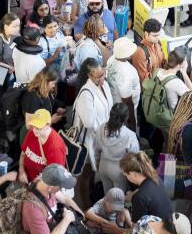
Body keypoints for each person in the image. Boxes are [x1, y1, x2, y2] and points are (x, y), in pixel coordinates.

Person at [72, 58, 114, 206]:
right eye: (98, 76)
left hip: (102, 137)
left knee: (93, 174)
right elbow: (89, 122)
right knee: (85, 174)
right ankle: (84, 206)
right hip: (88, 141)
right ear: (89, 76)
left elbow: (109, 107)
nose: (102, 78)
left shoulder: (105, 85)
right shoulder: (86, 94)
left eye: (103, 74)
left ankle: (91, 198)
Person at [20, 164, 82, 234]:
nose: (61, 189)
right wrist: (66, 219)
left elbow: (66, 199)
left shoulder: (43, 182)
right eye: (61, 187)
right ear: (50, 187)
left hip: (54, 223)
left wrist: (82, 215)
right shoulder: (33, 209)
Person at [94, 102, 140, 192]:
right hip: (119, 170)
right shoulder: (130, 135)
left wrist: (97, 163)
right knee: (119, 200)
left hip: (103, 166)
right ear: (126, 118)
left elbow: (96, 149)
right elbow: (134, 156)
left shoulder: (101, 128)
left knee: (107, 198)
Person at [121, 151, 175, 224]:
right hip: (169, 224)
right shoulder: (156, 178)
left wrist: (116, 229)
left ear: (132, 174)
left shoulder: (140, 197)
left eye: (125, 175)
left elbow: (136, 230)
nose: (126, 177)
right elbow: (147, 194)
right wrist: (132, 195)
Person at [20, 108, 68, 182]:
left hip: (42, 185)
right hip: (26, 179)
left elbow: (54, 177)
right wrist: (21, 171)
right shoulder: (32, 132)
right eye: (34, 126)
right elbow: (23, 154)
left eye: (38, 127)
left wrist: (34, 187)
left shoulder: (55, 147)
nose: (35, 130)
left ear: (48, 124)